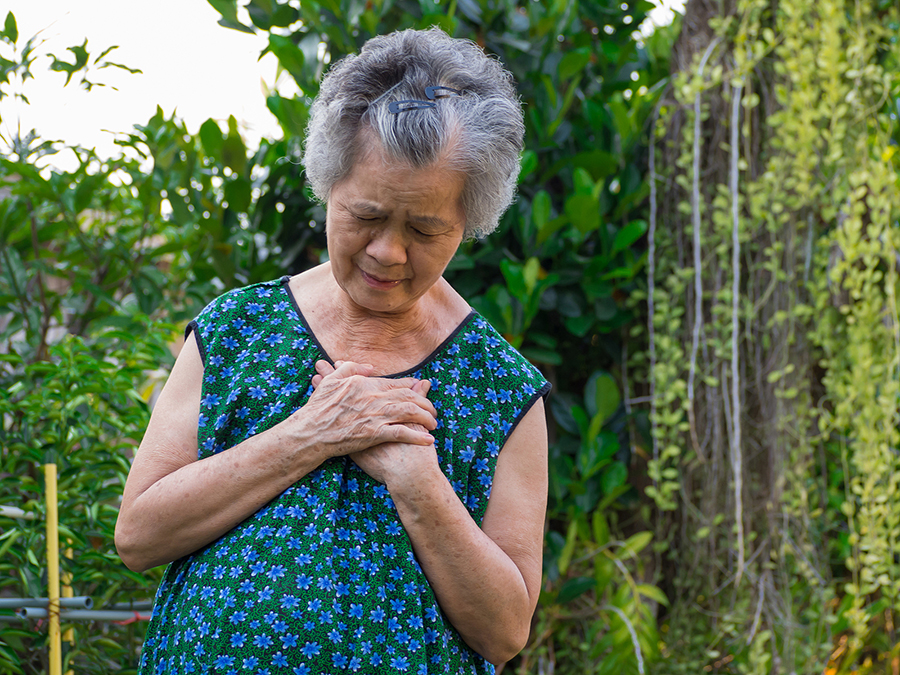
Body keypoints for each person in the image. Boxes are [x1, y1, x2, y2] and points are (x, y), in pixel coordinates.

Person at [116, 27, 550, 675]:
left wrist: (418, 483)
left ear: (468, 222)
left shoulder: (500, 386)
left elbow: (506, 630)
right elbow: (139, 535)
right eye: (367, 215)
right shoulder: (236, 329)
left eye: (424, 228)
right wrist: (310, 434)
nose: (387, 251)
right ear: (327, 182)